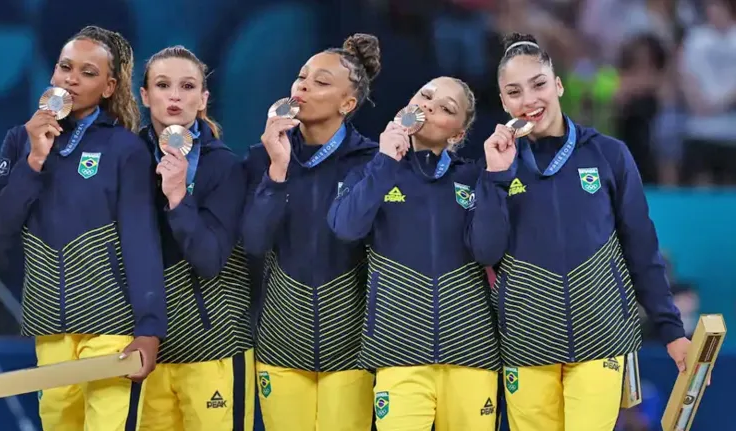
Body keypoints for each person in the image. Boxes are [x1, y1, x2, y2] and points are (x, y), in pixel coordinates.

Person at [474, 32, 690, 431]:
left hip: (601, 338)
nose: (529, 100)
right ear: (504, 102)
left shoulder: (607, 154)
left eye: (538, 84)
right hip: (526, 341)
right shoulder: (495, 165)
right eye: (515, 92)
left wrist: (671, 329)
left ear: (557, 85)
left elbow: (641, 246)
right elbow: (486, 251)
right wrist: (497, 178)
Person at [0, 26, 166, 431]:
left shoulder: (125, 149)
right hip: (49, 323)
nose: (71, 78)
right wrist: (33, 161)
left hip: (110, 324)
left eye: (87, 72)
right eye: (65, 67)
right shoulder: (21, 140)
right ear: (52, 73)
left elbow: (141, 240)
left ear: (108, 87)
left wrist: (150, 328)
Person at [328, 76, 499, 430]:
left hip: (471, 353)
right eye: (425, 94)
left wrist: (494, 182)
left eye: (446, 108)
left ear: (456, 135)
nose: (430, 105)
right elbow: (345, 228)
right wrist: (385, 162)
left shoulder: (473, 178)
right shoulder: (371, 171)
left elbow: (488, 249)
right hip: (398, 353)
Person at [242, 33, 381, 431]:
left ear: (347, 104)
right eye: (301, 77)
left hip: (352, 349)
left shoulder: (371, 163)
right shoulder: (261, 158)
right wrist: (277, 172)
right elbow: (253, 242)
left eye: (321, 82)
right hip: (279, 343)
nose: (303, 86)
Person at [137, 45, 254, 431]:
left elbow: (210, 259)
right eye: (162, 84)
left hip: (214, 347)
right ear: (144, 95)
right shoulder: (127, 158)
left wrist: (177, 197)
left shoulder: (225, 167)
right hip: (145, 352)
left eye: (187, 86)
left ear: (203, 100)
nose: (174, 95)